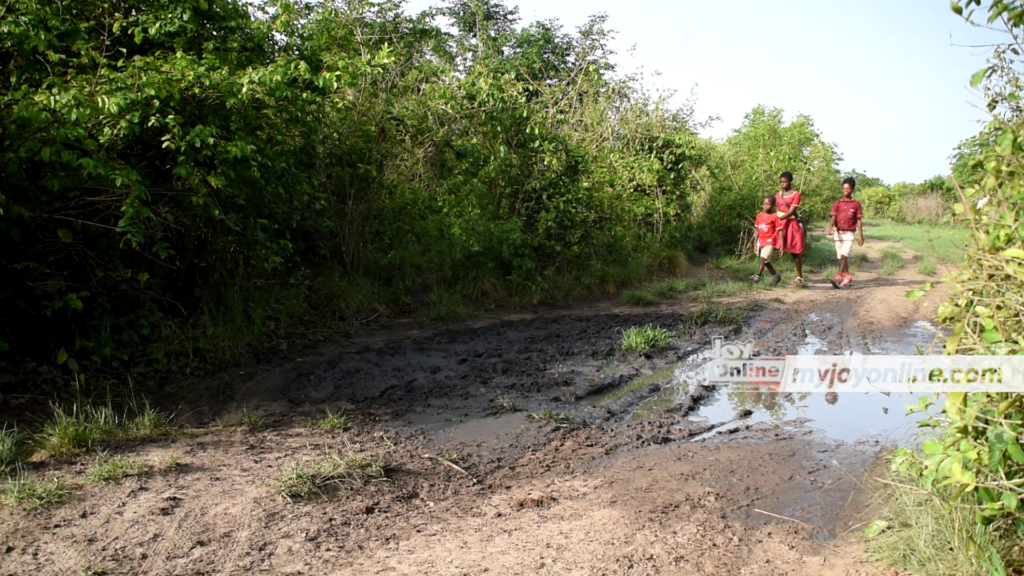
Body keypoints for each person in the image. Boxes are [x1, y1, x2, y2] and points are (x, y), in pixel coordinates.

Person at [826, 177, 864, 288]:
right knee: (841, 257)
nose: (845, 190)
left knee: (844, 255)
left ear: (852, 190)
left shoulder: (856, 204)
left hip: (849, 234)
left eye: (848, 189)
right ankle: (848, 276)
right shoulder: (837, 203)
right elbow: (833, 217)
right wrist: (830, 227)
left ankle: (838, 276)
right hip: (839, 233)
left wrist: (861, 236)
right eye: (844, 188)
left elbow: (859, 220)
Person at [775, 172, 806, 284]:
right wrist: (775, 220)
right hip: (780, 223)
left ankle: (800, 277)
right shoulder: (778, 194)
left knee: (794, 251)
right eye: (781, 182)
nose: (783, 184)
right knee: (771, 246)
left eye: (785, 182)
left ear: (790, 181)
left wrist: (779, 219)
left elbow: (791, 211)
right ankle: (771, 274)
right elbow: (777, 209)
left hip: (790, 224)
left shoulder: (796, 194)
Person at [752, 195, 783, 285]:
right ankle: (776, 276)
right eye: (764, 204)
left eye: (768, 204)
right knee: (766, 262)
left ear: (773, 205)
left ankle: (757, 276)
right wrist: (755, 244)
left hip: (770, 241)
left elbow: (780, 231)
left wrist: (782, 246)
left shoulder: (775, 217)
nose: (766, 206)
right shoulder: (759, 216)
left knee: (763, 259)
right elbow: (757, 230)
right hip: (761, 241)